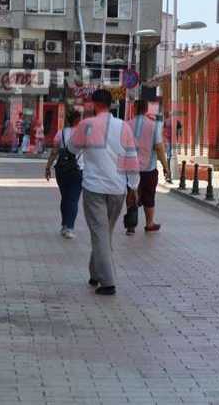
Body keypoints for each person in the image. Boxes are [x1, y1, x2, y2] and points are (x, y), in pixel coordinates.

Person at [68, 89, 139, 296]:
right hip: (118, 188)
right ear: (110, 104)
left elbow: (72, 148)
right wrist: (133, 186)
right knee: (103, 233)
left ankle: (108, 282)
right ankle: (95, 273)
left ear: (94, 104)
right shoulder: (123, 127)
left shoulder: (86, 125)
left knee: (100, 233)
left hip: (94, 188)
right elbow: (131, 156)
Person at [124, 100, 171, 235]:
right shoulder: (153, 126)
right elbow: (159, 147)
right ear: (146, 110)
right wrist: (165, 167)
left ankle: (131, 225)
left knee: (132, 194)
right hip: (148, 169)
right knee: (149, 196)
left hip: (131, 169)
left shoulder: (127, 125)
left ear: (134, 109)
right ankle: (149, 223)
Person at [45, 109, 83, 239]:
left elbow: (54, 152)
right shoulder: (83, 133)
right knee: (73, 199)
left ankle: (64, 225)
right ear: (78, 119)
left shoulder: (61, 133)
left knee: (65, 197)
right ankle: (69, 227)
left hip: (61, 169)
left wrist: (48, 167)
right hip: (77, 170)